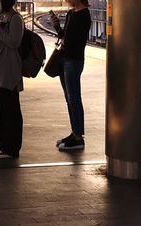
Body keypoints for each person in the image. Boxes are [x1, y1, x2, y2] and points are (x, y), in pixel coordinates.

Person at [0, 0, 24, 159]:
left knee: (11, 109)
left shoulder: (16, 18)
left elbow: (14, 42)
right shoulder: (0, 16)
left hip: (9, 69)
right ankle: (2, 143)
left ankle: (12, 148)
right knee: (2, 108)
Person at [51, 0, 92, 150]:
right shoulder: (71, 13)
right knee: (69, 98)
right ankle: (74, 132)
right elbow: (64, 36)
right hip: (65, 60)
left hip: (73, 61)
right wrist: (56, 26)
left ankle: (78, 138)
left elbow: (76, 41)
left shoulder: (84, 15)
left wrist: (65, 44)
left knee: (74, 98)